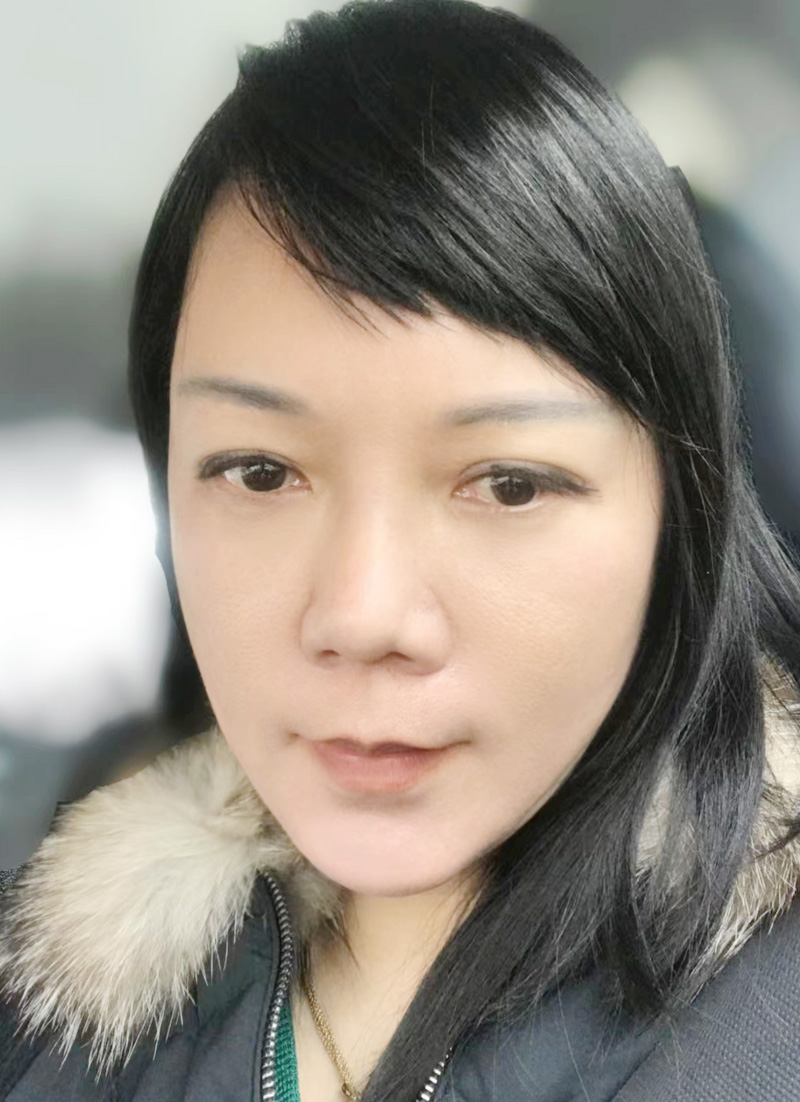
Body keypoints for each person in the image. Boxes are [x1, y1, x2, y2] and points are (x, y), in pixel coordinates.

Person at [3, 0, 800, 1098]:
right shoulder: (49, 1029)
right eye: (259, 472)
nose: (363, 612)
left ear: (680, 510)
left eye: (507, 484)